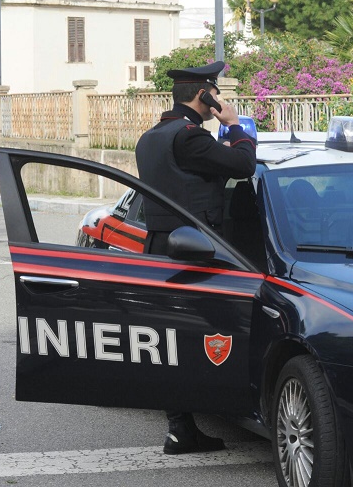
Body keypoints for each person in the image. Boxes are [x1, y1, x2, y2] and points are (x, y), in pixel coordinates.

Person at [135, 60, 256, 454]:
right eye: (215, 92)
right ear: (204, 95)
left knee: (171, 340)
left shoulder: (151, 137)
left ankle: (180, 429)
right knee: (202, 336)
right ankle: (210, 415)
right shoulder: (189, 137)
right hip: (194, 252)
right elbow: (244, 164)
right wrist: (234, 126)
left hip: (159, 247)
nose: (219, 98)